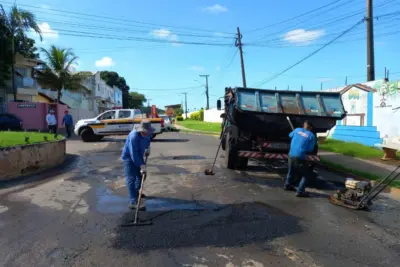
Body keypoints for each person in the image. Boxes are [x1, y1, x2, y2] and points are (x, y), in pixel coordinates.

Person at [121, 120, 154, 209]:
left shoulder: (148, 133)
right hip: (129, 156)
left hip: (139, 155)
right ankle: (133, 202)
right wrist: (141, 165)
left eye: (147, 132)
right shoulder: (133, 136)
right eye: (144, 132)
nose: (146, 134)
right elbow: (133, 153)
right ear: (140, 130)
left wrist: (148, 149)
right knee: (131, 178)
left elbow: (148, 141)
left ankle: (136, 192)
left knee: (142, 175)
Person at [284, 120, 316, 197]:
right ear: (310, 128)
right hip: (300, 156)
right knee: (306, 175)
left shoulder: (297, 130)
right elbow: (310, 149)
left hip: (291, 154)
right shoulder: (311, 135)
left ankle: (287, 185)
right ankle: (300, 191)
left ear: (303, 125)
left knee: (291, 170)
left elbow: (290, 135)